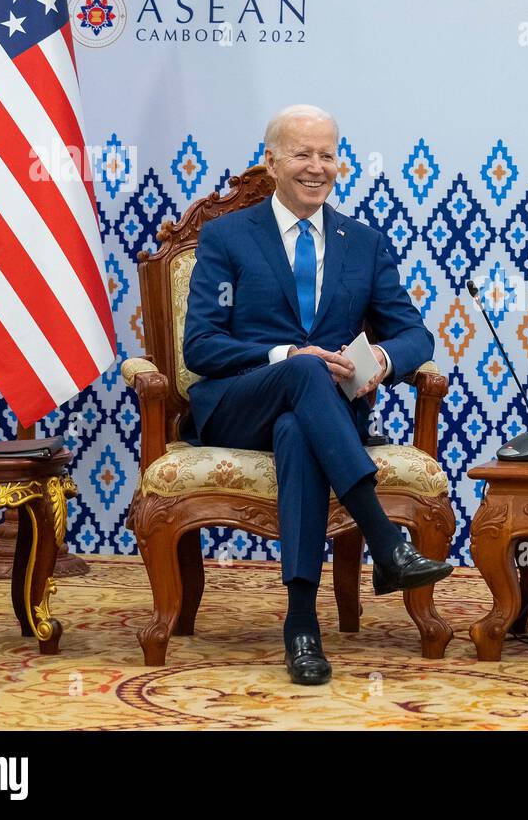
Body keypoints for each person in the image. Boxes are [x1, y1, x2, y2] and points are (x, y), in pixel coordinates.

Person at [182, 104, 453, 685]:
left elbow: (414, 334)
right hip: (237, 404)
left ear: (340, 163)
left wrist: (382, 358)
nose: (316, 167)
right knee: (304, 371)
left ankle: (301, 625)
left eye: (327, 154)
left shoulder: (364, 243)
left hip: (324, 419)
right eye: (302, 154)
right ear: (272, 161)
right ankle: (386, 541)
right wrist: (284, 356)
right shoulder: (227, 236)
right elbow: (200, 346)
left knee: (297, 430)